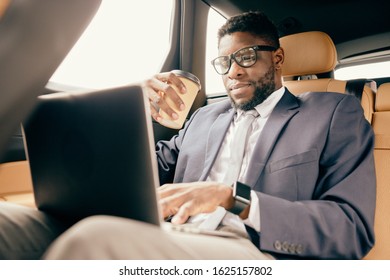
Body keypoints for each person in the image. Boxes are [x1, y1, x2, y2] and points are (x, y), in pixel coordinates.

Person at [0, 11, 375, 260]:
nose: (233, 72)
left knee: (96, 241)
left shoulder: (332, 112)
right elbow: (138, 175)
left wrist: (232, 197)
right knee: (8, 225)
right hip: (169, 233)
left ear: (276, 59)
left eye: (245, 57)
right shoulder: (203, 118)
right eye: (224, 62)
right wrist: (134, 109)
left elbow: (351, 229)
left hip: (249, 249)